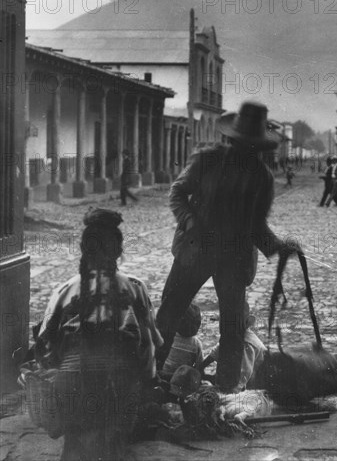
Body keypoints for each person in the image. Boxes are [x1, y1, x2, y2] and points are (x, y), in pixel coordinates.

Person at [155, 101, 303, 393]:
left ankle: (225, 392)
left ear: (258, 148)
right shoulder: (206, 160)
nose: (245, 151)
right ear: (231, 140)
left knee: (233, 329)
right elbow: (178, 193)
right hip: (194, 251)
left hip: (234, 260)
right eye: (240, 144)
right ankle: (149, 380)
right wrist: (189, 222)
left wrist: (280, 246)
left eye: (252, 147)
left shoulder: (262, 178)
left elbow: (256, 226)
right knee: (168, 316)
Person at [35, 208, 163, 461]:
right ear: (118, 250)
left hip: (72, 386)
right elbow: (149, 347)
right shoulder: (135, 288)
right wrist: (146, 383)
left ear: (85, 249)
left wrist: (57, 371)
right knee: (114, 445)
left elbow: (44, 348)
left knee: (74, 445)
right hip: (119, 385)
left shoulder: (64, 290)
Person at [198, 301, 266, 391]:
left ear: (245, 324)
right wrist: (200, 368)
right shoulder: (230, 335)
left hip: (255, 379)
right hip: (240, 374)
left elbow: (245, 373)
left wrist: (232, 390)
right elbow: (217, 351)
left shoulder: (246, 343)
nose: (230, 327)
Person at [161, 303, 204, 378]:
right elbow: (199, 367)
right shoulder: (196, 344)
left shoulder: (170, 337)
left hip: (165, 374)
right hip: (182, 379)